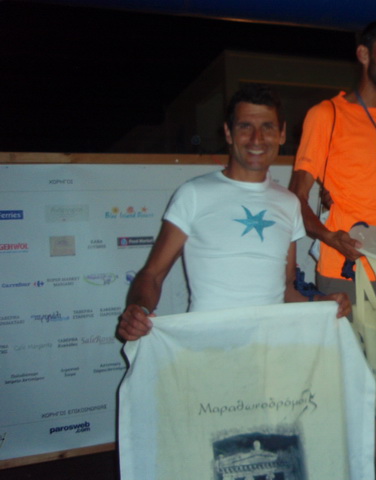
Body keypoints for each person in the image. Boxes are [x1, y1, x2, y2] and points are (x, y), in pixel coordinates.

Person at [117, 84, 349, 342]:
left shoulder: (289, 203)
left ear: (282, 134)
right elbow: (152, 275)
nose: (257, 139)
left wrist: (322, 303)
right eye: (245, 126)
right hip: (209, 347)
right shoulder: (193, 194)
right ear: (228, 133)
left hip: (269, 348)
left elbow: (286, 288)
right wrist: (139, 310)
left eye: (268, 127)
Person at [289, 18, 376, 480]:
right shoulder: (326, 114)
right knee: (344, 390)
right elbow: (296, 197)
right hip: (345, 272)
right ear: (364, 55)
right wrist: (328, 236)